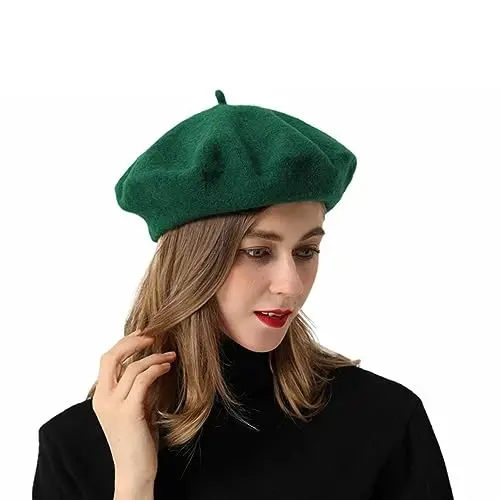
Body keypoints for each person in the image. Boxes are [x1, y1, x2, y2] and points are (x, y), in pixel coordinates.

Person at [32, 90, 454, 499]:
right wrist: (135, 481)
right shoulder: (78, 447)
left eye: (306, 251)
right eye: (257, 252)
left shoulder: (382, 420)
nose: (291, 285)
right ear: (194, 262)